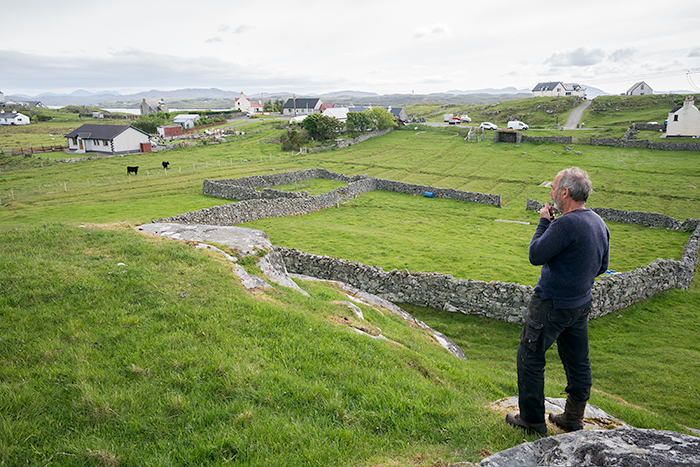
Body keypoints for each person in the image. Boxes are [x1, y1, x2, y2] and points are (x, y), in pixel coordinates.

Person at [506, 167, 610, 436]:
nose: (551, 193)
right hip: (580, 304)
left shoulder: (566, 224)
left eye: (553, 188)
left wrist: (543, 223)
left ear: (565, 192)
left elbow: (536, 254)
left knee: (530, 357)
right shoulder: (598, 222)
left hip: (551, 304)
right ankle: (573, 417)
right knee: (577, 360)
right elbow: (602, 266)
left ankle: (532, 421)